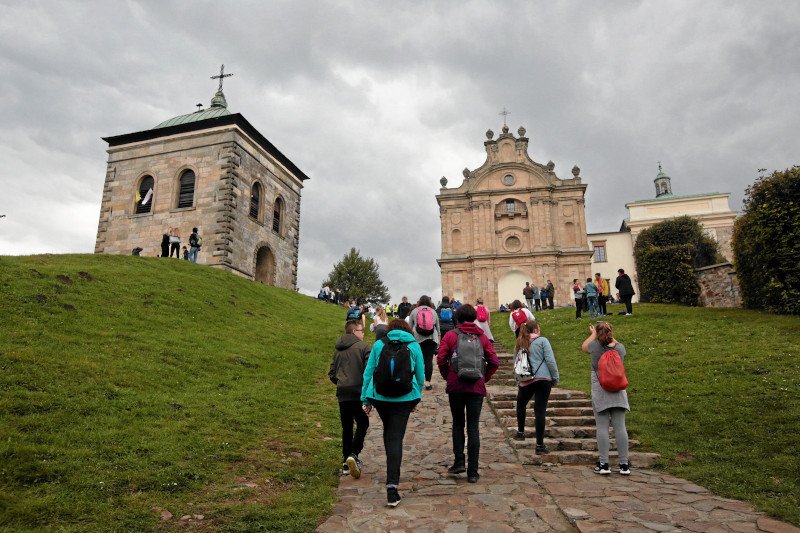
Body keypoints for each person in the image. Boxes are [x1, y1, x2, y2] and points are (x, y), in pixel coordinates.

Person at [361, 319, 425, 507]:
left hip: (380, 397)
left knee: (389, 433)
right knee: (395, 438)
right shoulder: (413, 346)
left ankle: (391, 478)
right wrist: (416, 396)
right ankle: (392, 488)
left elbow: (369, 372)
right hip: (405, 399)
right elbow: (420, 376)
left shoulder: (379, 344)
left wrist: (365, 398)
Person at [436, 305, 499, 483]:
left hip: (456, 386)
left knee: (457, 424)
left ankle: (458, 462)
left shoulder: (450, 336)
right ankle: (473, 471)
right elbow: (494, 361)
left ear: (457, 317)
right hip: (476, 388)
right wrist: (483, 378)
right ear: (474, 318)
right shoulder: (482, 337)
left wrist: (448, 376)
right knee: (473, 427)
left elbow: (440, 358)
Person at [581, 322, 630, 475]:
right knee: (620, 427)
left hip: (600, 389)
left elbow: (584, 347)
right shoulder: (620, 348)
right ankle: (624, 465)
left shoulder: (594, 347)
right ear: (610, 332)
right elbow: (615, 345)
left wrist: (593, 334)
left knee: (602, 427)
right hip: (618, 388)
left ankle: (604, 464)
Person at [329, 320, 371, 478]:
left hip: (342, 392)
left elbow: (332, 373)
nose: (363, 333)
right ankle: (353, 454)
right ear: (354, 332)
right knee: (363, 422)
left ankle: (346, 463)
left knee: (346, 427)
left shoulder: (338, 349)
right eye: (361, 330)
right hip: (358, 391)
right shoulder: (364, 347)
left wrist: (340, 382)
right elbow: (369, 370)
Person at [513, 320, 559, 454]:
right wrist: (555, 378)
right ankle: (539, 445)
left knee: (521, 404)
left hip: (525, 380)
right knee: (540, 411)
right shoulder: (543, 341)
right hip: (543, 379)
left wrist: (519, 381)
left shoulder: (519, 343)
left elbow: (515, 364)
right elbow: (550, 360)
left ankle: (520, 431)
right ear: (535, 330)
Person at [408, 295, 441, 391]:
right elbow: (437, 328)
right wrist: (438, 341)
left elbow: (410, 327)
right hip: (431, 339)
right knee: (428, 360)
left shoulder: (414, 311)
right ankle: (427, 383)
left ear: (419, 302)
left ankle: (417, 381)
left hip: (417, 339)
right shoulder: (433, 311)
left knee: (417, 360)